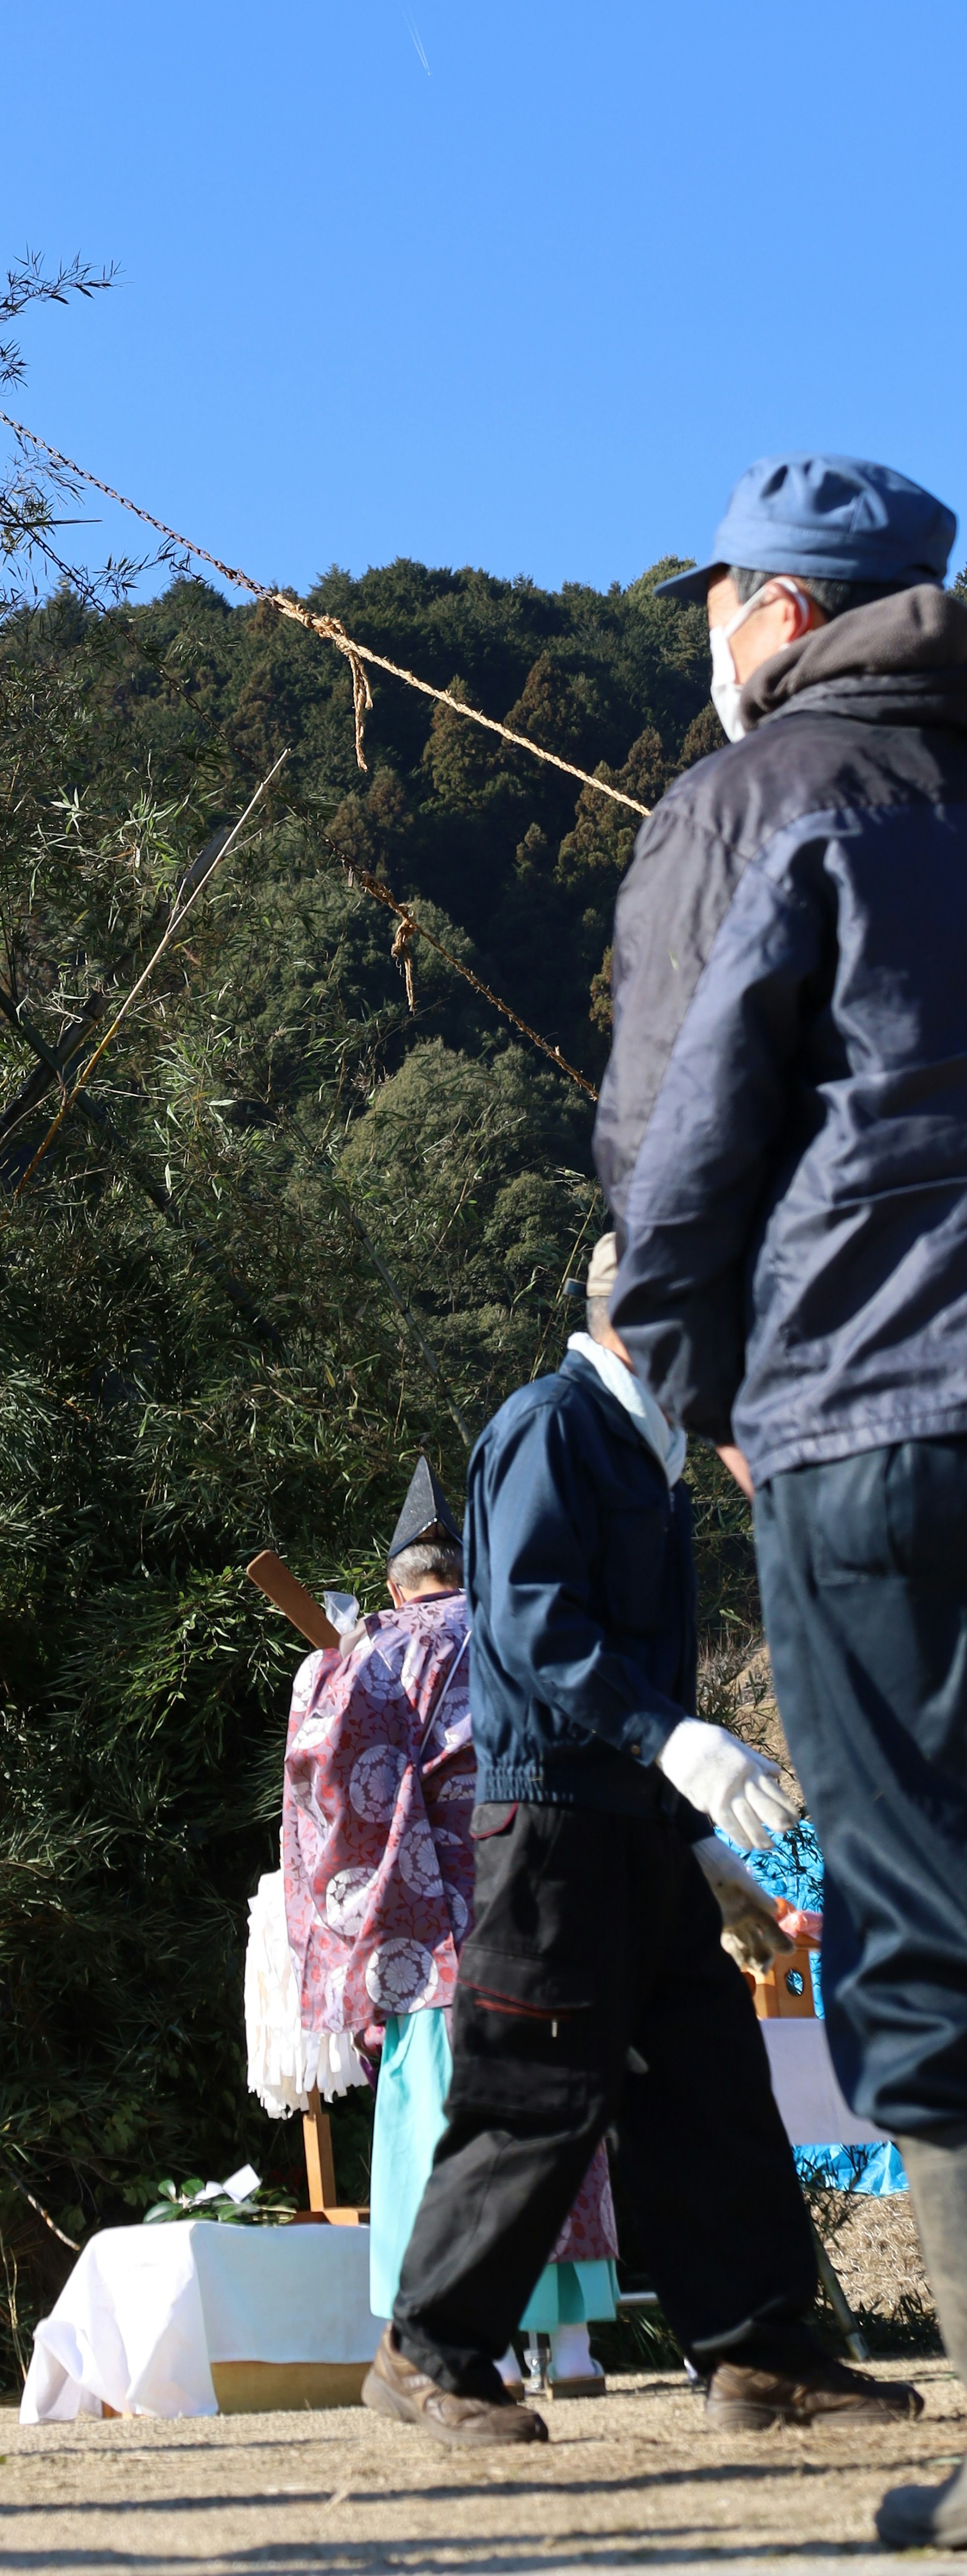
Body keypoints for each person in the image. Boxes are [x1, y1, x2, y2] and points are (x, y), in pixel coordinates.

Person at [596, 451, 967, 2544]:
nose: (709, 627)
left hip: (882, 1408)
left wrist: (710, 1378)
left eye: (722, 591)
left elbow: (673, 1152)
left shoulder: (749, 801)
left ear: (785, 608)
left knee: (924, 1909)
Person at [365, 1239, 921, 2446]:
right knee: (536, 2087)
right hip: (554, 1822)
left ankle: (757, 2352)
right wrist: (680, 1740)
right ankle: (430, 2353)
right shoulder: (550, 1427)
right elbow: (534, 1627)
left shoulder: (645, 1449)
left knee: (712, 2084)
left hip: (639, 1827)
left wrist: (702, 1850)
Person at [273, 1458, 620, 2394]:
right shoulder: (524, 1634)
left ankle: (488, 2348)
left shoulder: (378, 1650)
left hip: (435, 1936)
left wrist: (323, 1670)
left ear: (395, 1580)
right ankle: (579, 2345)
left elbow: (335, 1783)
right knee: (551, 2114)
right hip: (539, 1908)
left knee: (447, 2128)